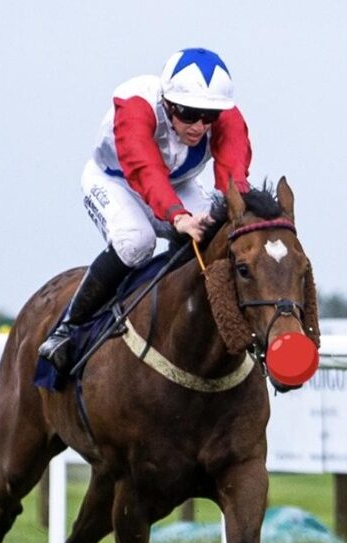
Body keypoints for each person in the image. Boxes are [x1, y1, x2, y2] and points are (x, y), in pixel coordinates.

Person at [39, 47, 252, 372]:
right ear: (167, 103)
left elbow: (234, 176)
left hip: (176, 184)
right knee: (136, 241)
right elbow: (144, 168)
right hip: (116, 181)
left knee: (215, 237)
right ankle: (69, 327)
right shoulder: (136, 103)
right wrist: (178, 216)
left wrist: (229, 215)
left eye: (208, 116)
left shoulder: (227, 118)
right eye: (188, 113)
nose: (199, 126)